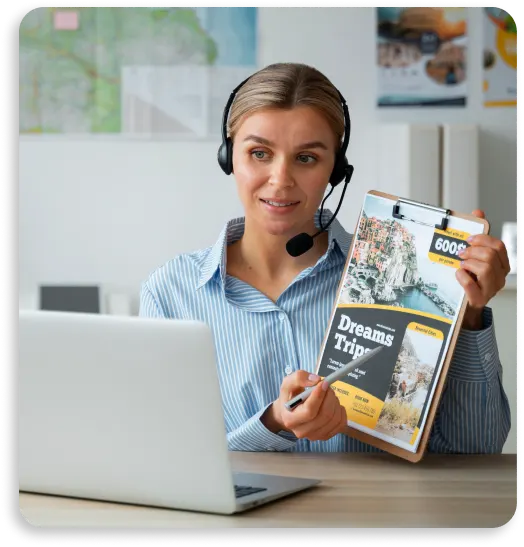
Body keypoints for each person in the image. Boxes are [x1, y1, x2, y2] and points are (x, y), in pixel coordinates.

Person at [139, 63, 511, 454]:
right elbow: (164, 455)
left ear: (336, 170)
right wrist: (273, 424)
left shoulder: (397, 277)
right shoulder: (171, 293)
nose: (280, 179)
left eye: (306, 158)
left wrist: (469, 315)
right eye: (259, 153)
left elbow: (476, 451)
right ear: (228, 156)